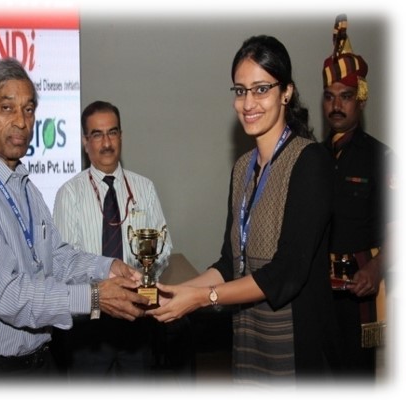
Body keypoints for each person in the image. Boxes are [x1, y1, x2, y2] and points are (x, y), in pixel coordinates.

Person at [0, 58, 150, 378]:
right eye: (7, 108)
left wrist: (108, 268)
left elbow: (56, 258)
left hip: (38, 365)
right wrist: (95, 297)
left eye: (28, 109)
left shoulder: (25, 187)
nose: (21, 121)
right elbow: (6, 295)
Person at [146, 35, 343, 386]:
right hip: (250, 338)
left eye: (261, 89)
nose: (248, 103)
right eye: (240, 91)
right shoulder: (242, 168)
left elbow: (287, 272)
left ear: (286, 93)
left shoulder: (310, 161)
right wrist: (176, 292)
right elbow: (229, 263)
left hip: (295, 345)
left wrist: (201, 299)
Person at [52, 100, 173, 380]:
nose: (106, 143)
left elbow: (164, 248)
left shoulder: (144, 188)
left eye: (112, 132)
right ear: (85, 141)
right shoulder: (69, 194)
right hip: (89, 328)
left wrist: (140, 278)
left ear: (121, 136)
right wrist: (107, 290)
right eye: (97, 134)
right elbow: (63, 263)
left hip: (138, 321)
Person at [321, 15, 395, 379]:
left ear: (360, 101)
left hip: (361, 292)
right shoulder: (313, 158)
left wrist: (377, 268)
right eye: (330, 96)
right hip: (318, 294)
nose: (337, 105)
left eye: (346, 96)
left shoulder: (382, 157)